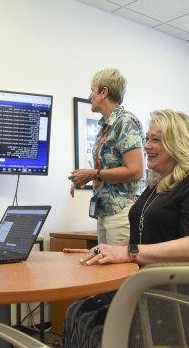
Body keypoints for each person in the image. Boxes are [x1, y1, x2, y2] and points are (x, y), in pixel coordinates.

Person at [63, 109, 189, 348]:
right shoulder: (158, 184)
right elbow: (142, 234)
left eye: (155, 139)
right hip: (158, 288)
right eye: (146, 139)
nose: (146, 146)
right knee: (78, 310)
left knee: (88, 318)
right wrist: (108, 249)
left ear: (179, 143)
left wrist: (128, 252)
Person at [69, 68, 145, 244]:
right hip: (105, 211)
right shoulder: (105, 126)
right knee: (105, 267)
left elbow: (136, 171)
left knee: (122, 269)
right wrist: (84, 177)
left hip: (123, 211)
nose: (89, 96)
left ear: (103, 92)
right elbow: (106, 169)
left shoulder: (126, 122)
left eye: (92, 90)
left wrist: (93, 174)